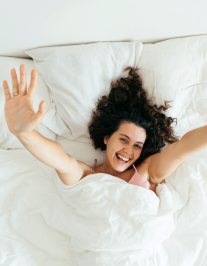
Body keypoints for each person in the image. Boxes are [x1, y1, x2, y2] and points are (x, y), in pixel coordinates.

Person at [3, 64, 182, 195]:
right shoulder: (84, 175)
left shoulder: (146, 172)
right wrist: (24, 133)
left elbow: (182, 149)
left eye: (137, 145)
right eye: (123, 139)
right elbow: (61, 160)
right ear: (106, 138)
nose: (128, 151)